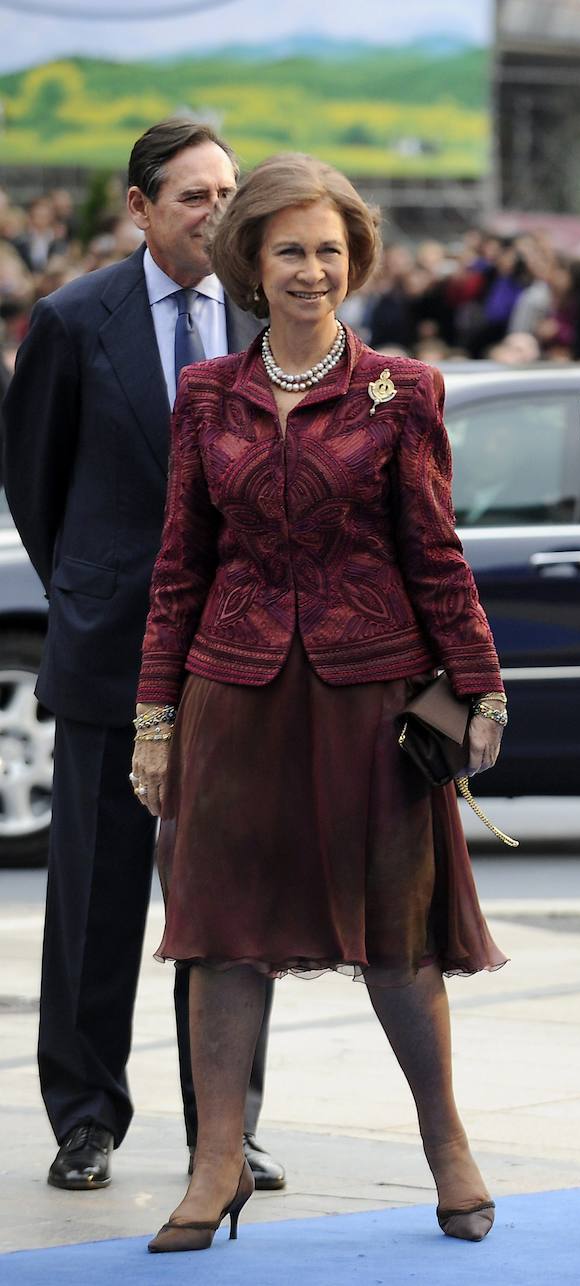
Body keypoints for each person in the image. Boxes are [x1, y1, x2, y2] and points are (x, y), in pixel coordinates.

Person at [130, 152, 508, 1254]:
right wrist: (156, 719)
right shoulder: (207, 395)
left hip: (370, 698)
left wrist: (478, 685)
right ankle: (214, 1162)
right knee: (222, 937)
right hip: (233, 695)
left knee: (397, 937)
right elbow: (177, 566)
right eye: (290, 250)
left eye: (330, 251)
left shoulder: (402, 389)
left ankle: (447, 1146)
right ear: (250, 258)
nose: (311, 271)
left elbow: (435, 553)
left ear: (356, 261)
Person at [1, 119, 284, 1194]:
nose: (217, 211)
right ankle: (85, 1115)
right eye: (193, 196)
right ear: (139, 207)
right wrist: (96, 582)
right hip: (112, 649)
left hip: (242, 653)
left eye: (227, 191)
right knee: (97, 892)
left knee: (231, 897)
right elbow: (35, 482)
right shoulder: (74, 320)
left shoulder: (265, 318)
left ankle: (230, 1126)